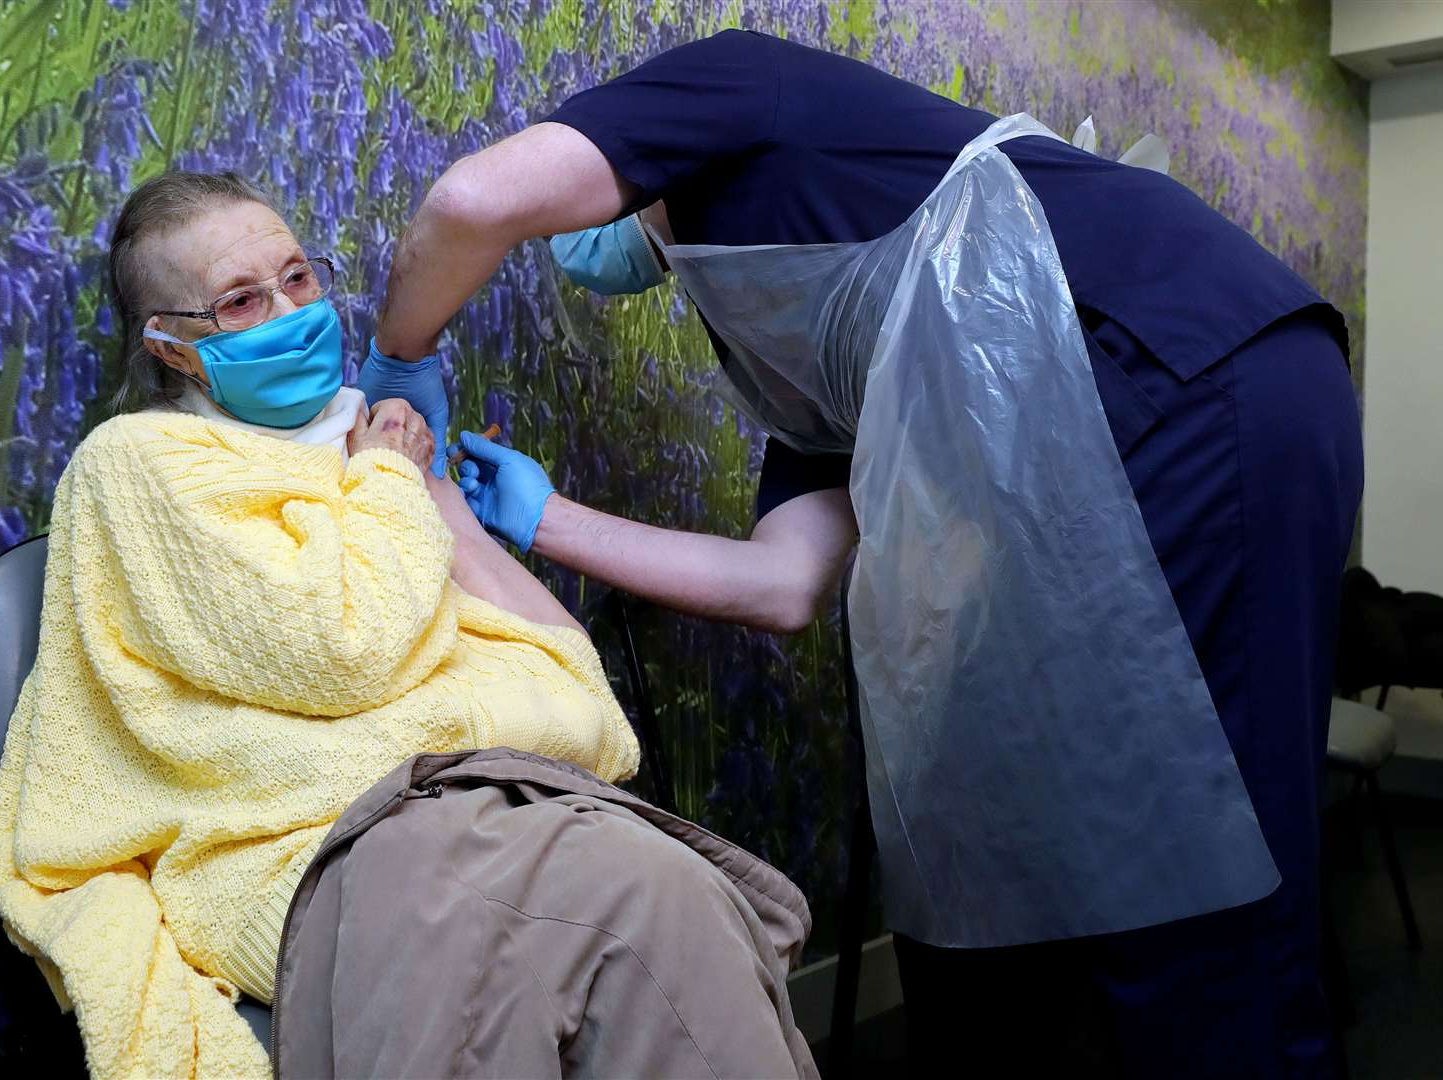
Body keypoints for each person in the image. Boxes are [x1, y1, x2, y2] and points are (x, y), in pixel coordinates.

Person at [365, 29, 1364, 1079]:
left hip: (1182, 378)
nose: (597, 242)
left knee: (1203, 872)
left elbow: (471, 205)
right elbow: (782, 581)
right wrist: (534, 518)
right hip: (1119, 427)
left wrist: (401, 360)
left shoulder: (740, 75)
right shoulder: (820, 330)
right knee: (1066, 864)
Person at [0, 170, 817, 1080]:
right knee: (634, 900)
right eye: (239, 300)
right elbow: (340, 651)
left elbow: (565, 666)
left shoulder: (373, 449)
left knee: (670, 902)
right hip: (323, 845)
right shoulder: (143, 461)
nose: (291, 310)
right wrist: (386, 484)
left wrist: (443, 506)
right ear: (174, 349)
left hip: (504, 797)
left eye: (299, 277)